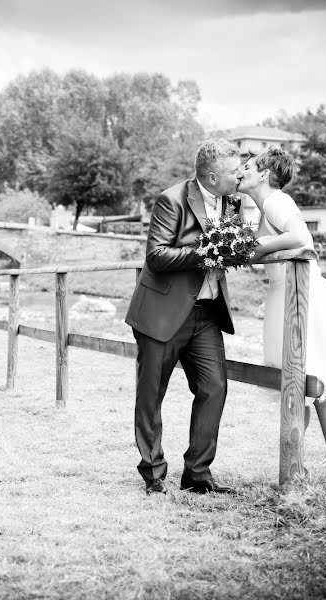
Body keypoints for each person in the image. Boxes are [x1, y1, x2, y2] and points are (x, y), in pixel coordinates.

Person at [237, 147, 326, 490]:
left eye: (246, 166)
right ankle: (314, 469)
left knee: (312, 387)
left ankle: (320, 469)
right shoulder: (264, 207)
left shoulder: (276, 202)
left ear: (263, 173)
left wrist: (254, 250)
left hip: (302, 300)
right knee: (306, 389)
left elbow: (301, 239)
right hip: (286, 297)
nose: (241, 171)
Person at [125, 139, 241, 495]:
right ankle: (153, 473)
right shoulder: (171, 199)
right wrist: (205, 252)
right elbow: (157, 255)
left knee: (214, 388)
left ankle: (197, 475)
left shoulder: (231, 202)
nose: (239, 176)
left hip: (207, 313)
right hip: (163, 312)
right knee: (151, 396)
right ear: (211, 175)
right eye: (233, 172)